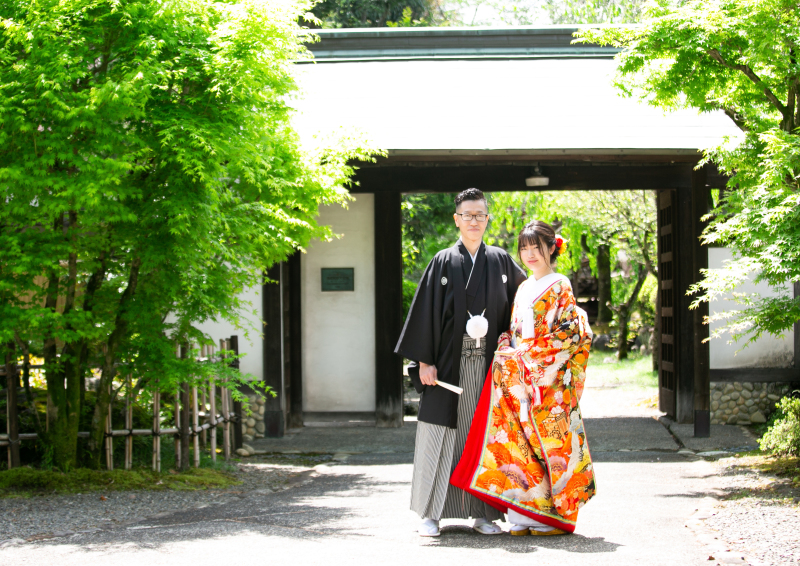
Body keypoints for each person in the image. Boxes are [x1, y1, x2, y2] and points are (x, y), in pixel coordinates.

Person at [395, 188, 527, 537]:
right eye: (467, 215)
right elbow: (424, 312)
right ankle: (429, 514)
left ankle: (483, 513)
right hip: (447, 365)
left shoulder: (500, 261)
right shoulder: (442, 261)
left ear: (487, 219)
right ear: (457, 219)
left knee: (483, 436)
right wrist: (424, 361)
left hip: (489, 366)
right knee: (438, 435)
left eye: (480, 215)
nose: (474, 221)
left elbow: (525, 303)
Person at [450, 220, 596, 536]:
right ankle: (524, 516)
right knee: (520, 445)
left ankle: (556, 518)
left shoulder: (560, 285)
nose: (530, 254)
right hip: (519, 380)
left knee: (551, 449)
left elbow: (570, 333)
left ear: (551, 248)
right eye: (525, 248)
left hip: (550, 382)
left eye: (537, 247)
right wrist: (506, 347)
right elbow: (513, 330)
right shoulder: (523, 287)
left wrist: (528, 355)